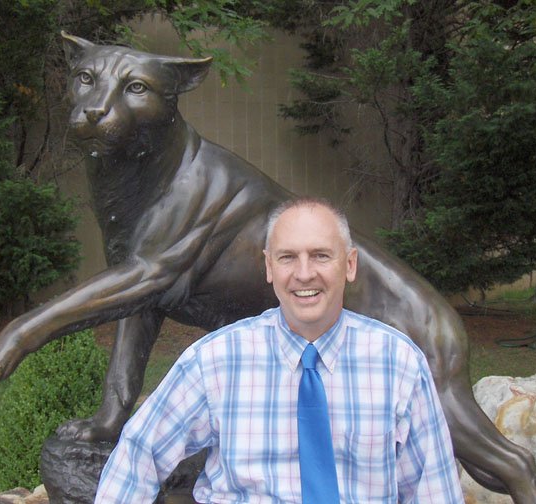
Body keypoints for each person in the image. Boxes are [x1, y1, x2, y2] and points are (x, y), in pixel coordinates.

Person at [94, 197, 465, 503]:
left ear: (349, 265)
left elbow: (433, 490)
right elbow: (137, 454)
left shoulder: (399, 364)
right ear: (269, 267)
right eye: (288, 257)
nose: (304, 274)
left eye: (321, 255)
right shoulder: (215, 362)